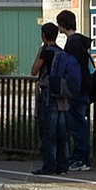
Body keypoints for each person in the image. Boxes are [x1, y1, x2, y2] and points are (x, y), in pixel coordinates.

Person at [56, 9, 94, 171]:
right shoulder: (80, 42)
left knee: (77, 125)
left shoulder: (71, 43)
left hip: (76, 90)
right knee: (80, 124)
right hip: (84, 88)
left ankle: (81, 158)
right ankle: (81, 157)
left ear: (62, 25)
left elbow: (71, 68)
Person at [30, 22, 70, 175]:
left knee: (48, 130)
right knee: (62, 130)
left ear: (44, 36)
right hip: (62, 94)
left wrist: (40, 51)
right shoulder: (61, 52)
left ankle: (49, 165)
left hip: (48, 95)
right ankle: (63, 165)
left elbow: (34, 71)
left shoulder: (45, 52)